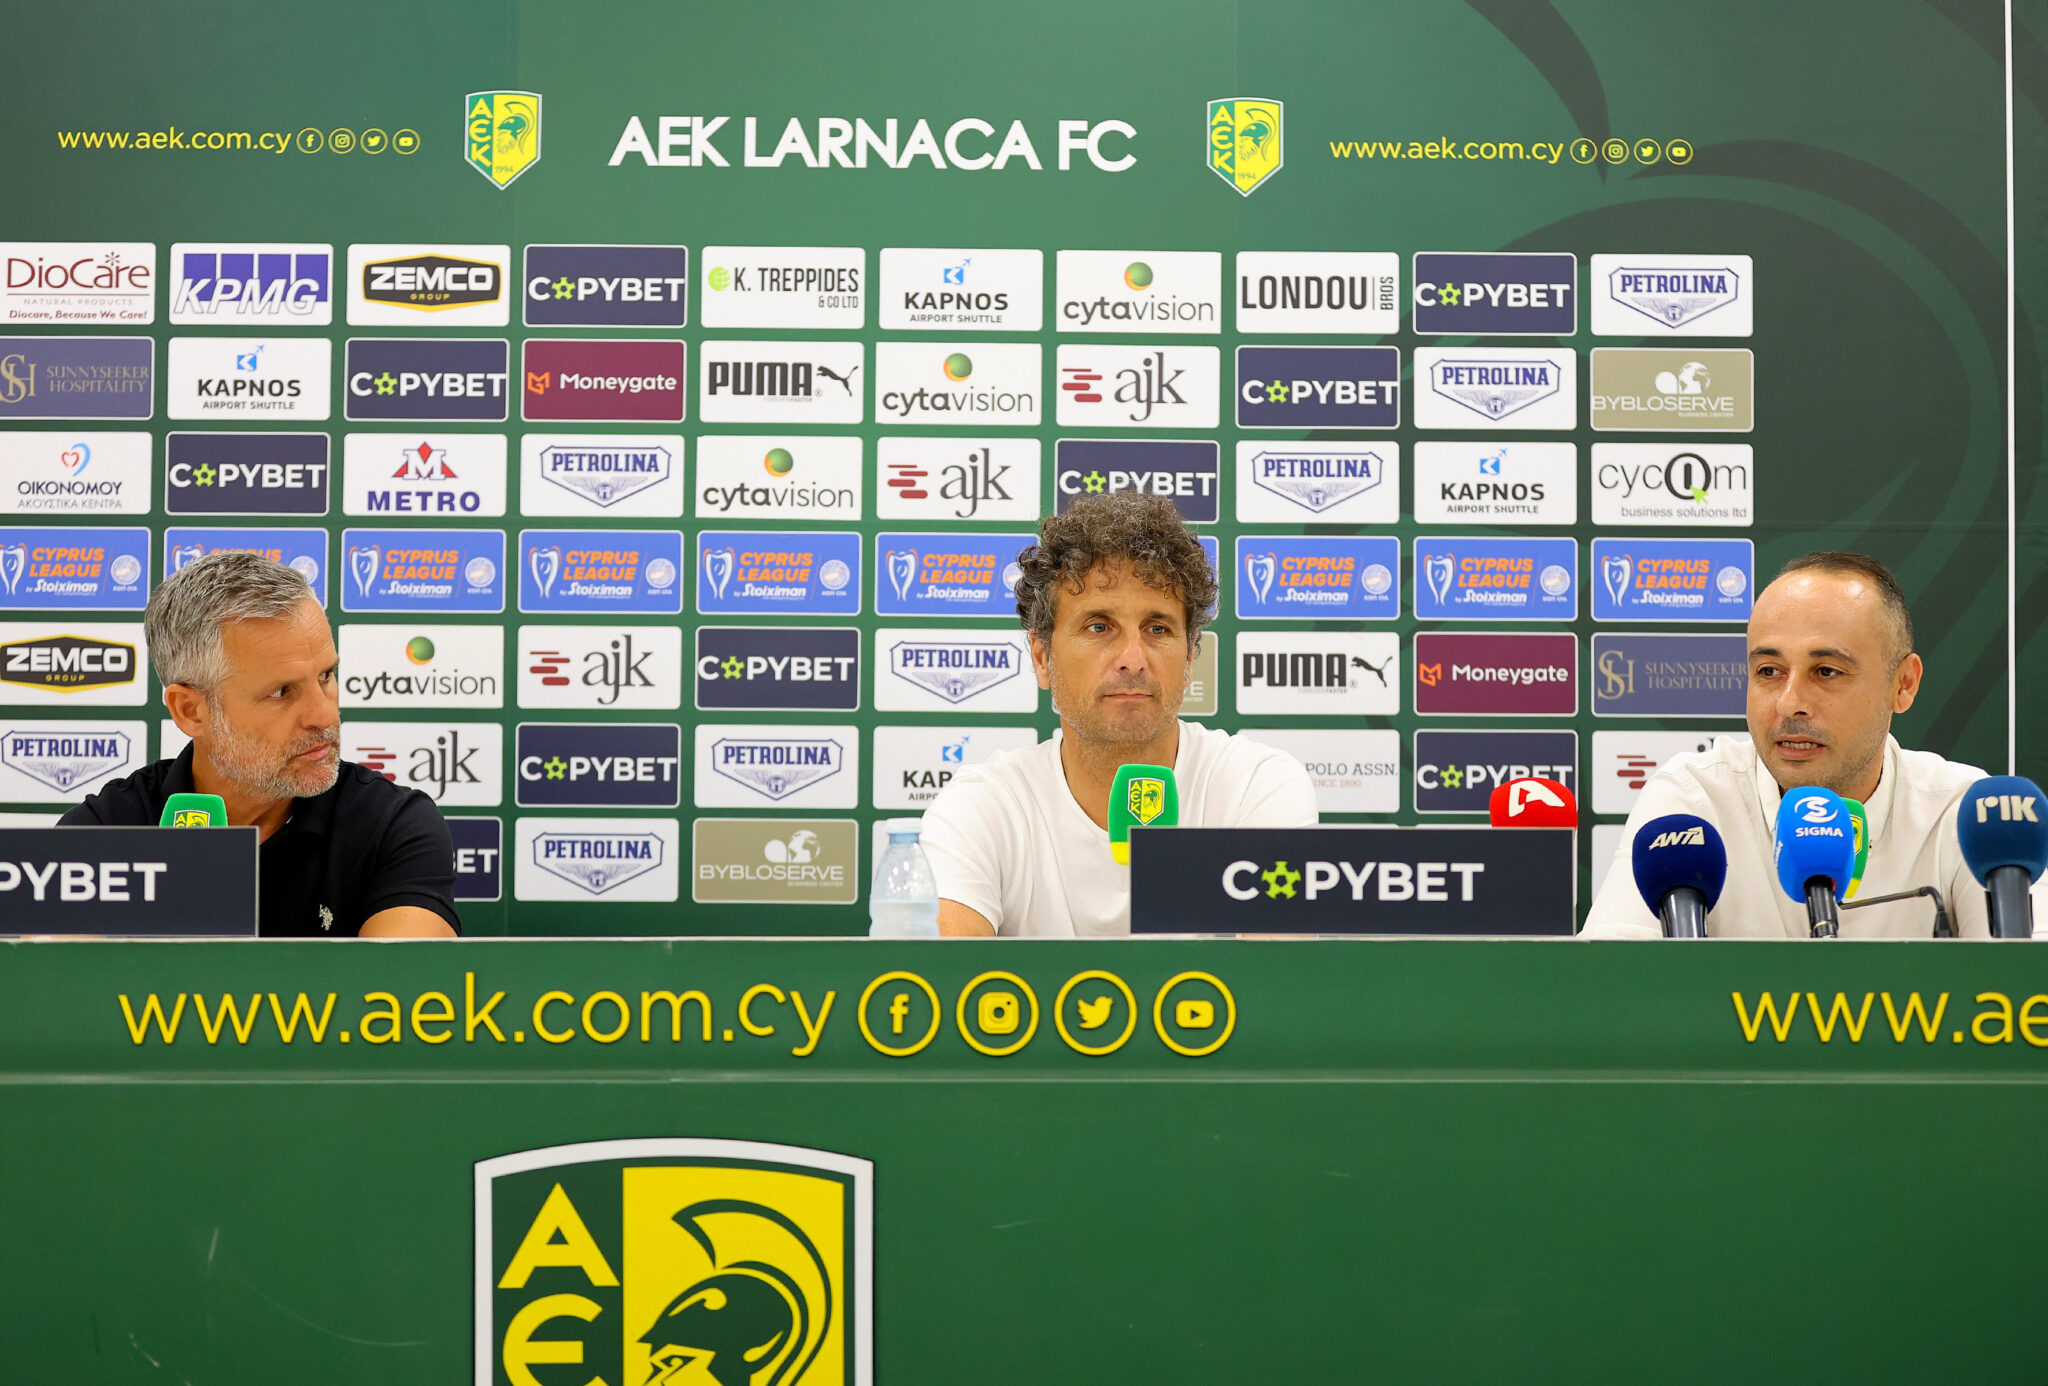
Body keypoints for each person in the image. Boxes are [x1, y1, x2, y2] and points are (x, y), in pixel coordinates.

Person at [920, 491, 1318, 937]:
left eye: (1157, 628)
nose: (1133, 659)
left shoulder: (1256, 786)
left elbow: (1278, 978)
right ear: (1041, 657)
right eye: (1099, 627)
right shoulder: (982, 807)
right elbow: (948, 976)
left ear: (1189, 659)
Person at [1582, 551, 2034, 938]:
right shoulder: (1693, 802)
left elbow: (2027, 990)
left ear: (1904, 684)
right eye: (1768, 671)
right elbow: (1606, 988)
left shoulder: (1965, 814)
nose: (1789, 702)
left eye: (1827, 672)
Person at [61, 550, 458, 938]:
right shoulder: (105, 834)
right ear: (191, 711)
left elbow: (403, 982)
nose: (323, 716)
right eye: (281, 692)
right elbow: (60, 979)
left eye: (325, 676)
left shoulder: (391, 825)